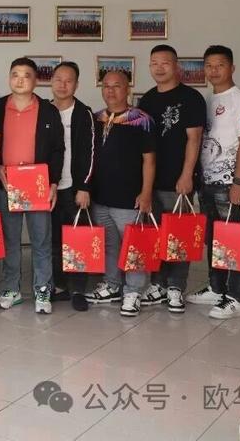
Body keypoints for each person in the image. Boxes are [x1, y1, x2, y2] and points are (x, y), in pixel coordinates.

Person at [185, 46, 240, 319]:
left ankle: (236, 298)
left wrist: (238, 181)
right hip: (208, 182)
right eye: (209, 66)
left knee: (235, 240)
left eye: (220, 65)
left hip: (230, 183)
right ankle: (216, 289)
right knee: (214, 239)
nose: (214, 71)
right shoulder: (209, 98)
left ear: (232, 68)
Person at [136, 44, 206, 313]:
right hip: (152, 181)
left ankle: (176, 286)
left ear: (176, 66)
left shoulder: (191, 97)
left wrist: (187, 175)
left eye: (165, 62)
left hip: (179, 181)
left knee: (180, 235)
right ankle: (158, 284)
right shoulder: (147, 99)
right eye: (154, 63)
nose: (159, 68)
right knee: (157, 235)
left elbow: (194, 139)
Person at [0, 58, 64, 314]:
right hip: (7, 184)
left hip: (38, 185)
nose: (20, 80)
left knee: (41, 241)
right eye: (15, 74)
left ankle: (43, 289)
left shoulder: (48, 110)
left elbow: (58, 149)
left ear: (36, 80)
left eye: (26, 75)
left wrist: (53, 182)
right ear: (9, 78)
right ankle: (12, 289)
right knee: (10, 241)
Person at [87, 70, 156, 317]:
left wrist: (146, 193)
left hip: (129, 198)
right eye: (106, 86)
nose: (110, 90)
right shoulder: (96, 118)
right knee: (110, 245)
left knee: (134, 246)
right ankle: (112, 285)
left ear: (128, 89)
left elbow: (149, 160)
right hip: (100, 197)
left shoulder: (141, 120)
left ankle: (134, 291)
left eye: (117, 86)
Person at [48, 61, 95, 312]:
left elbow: (90, 152)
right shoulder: (44, 111)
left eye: (68, 81)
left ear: (76, 85)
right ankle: (59, 287)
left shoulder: (83, 113)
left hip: (75, 189)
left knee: (77, 240)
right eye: (58, 79)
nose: (62, 85)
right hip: (49, 189)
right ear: (51, 81)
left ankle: (78, 289)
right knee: (54, 241)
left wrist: (84, 186)